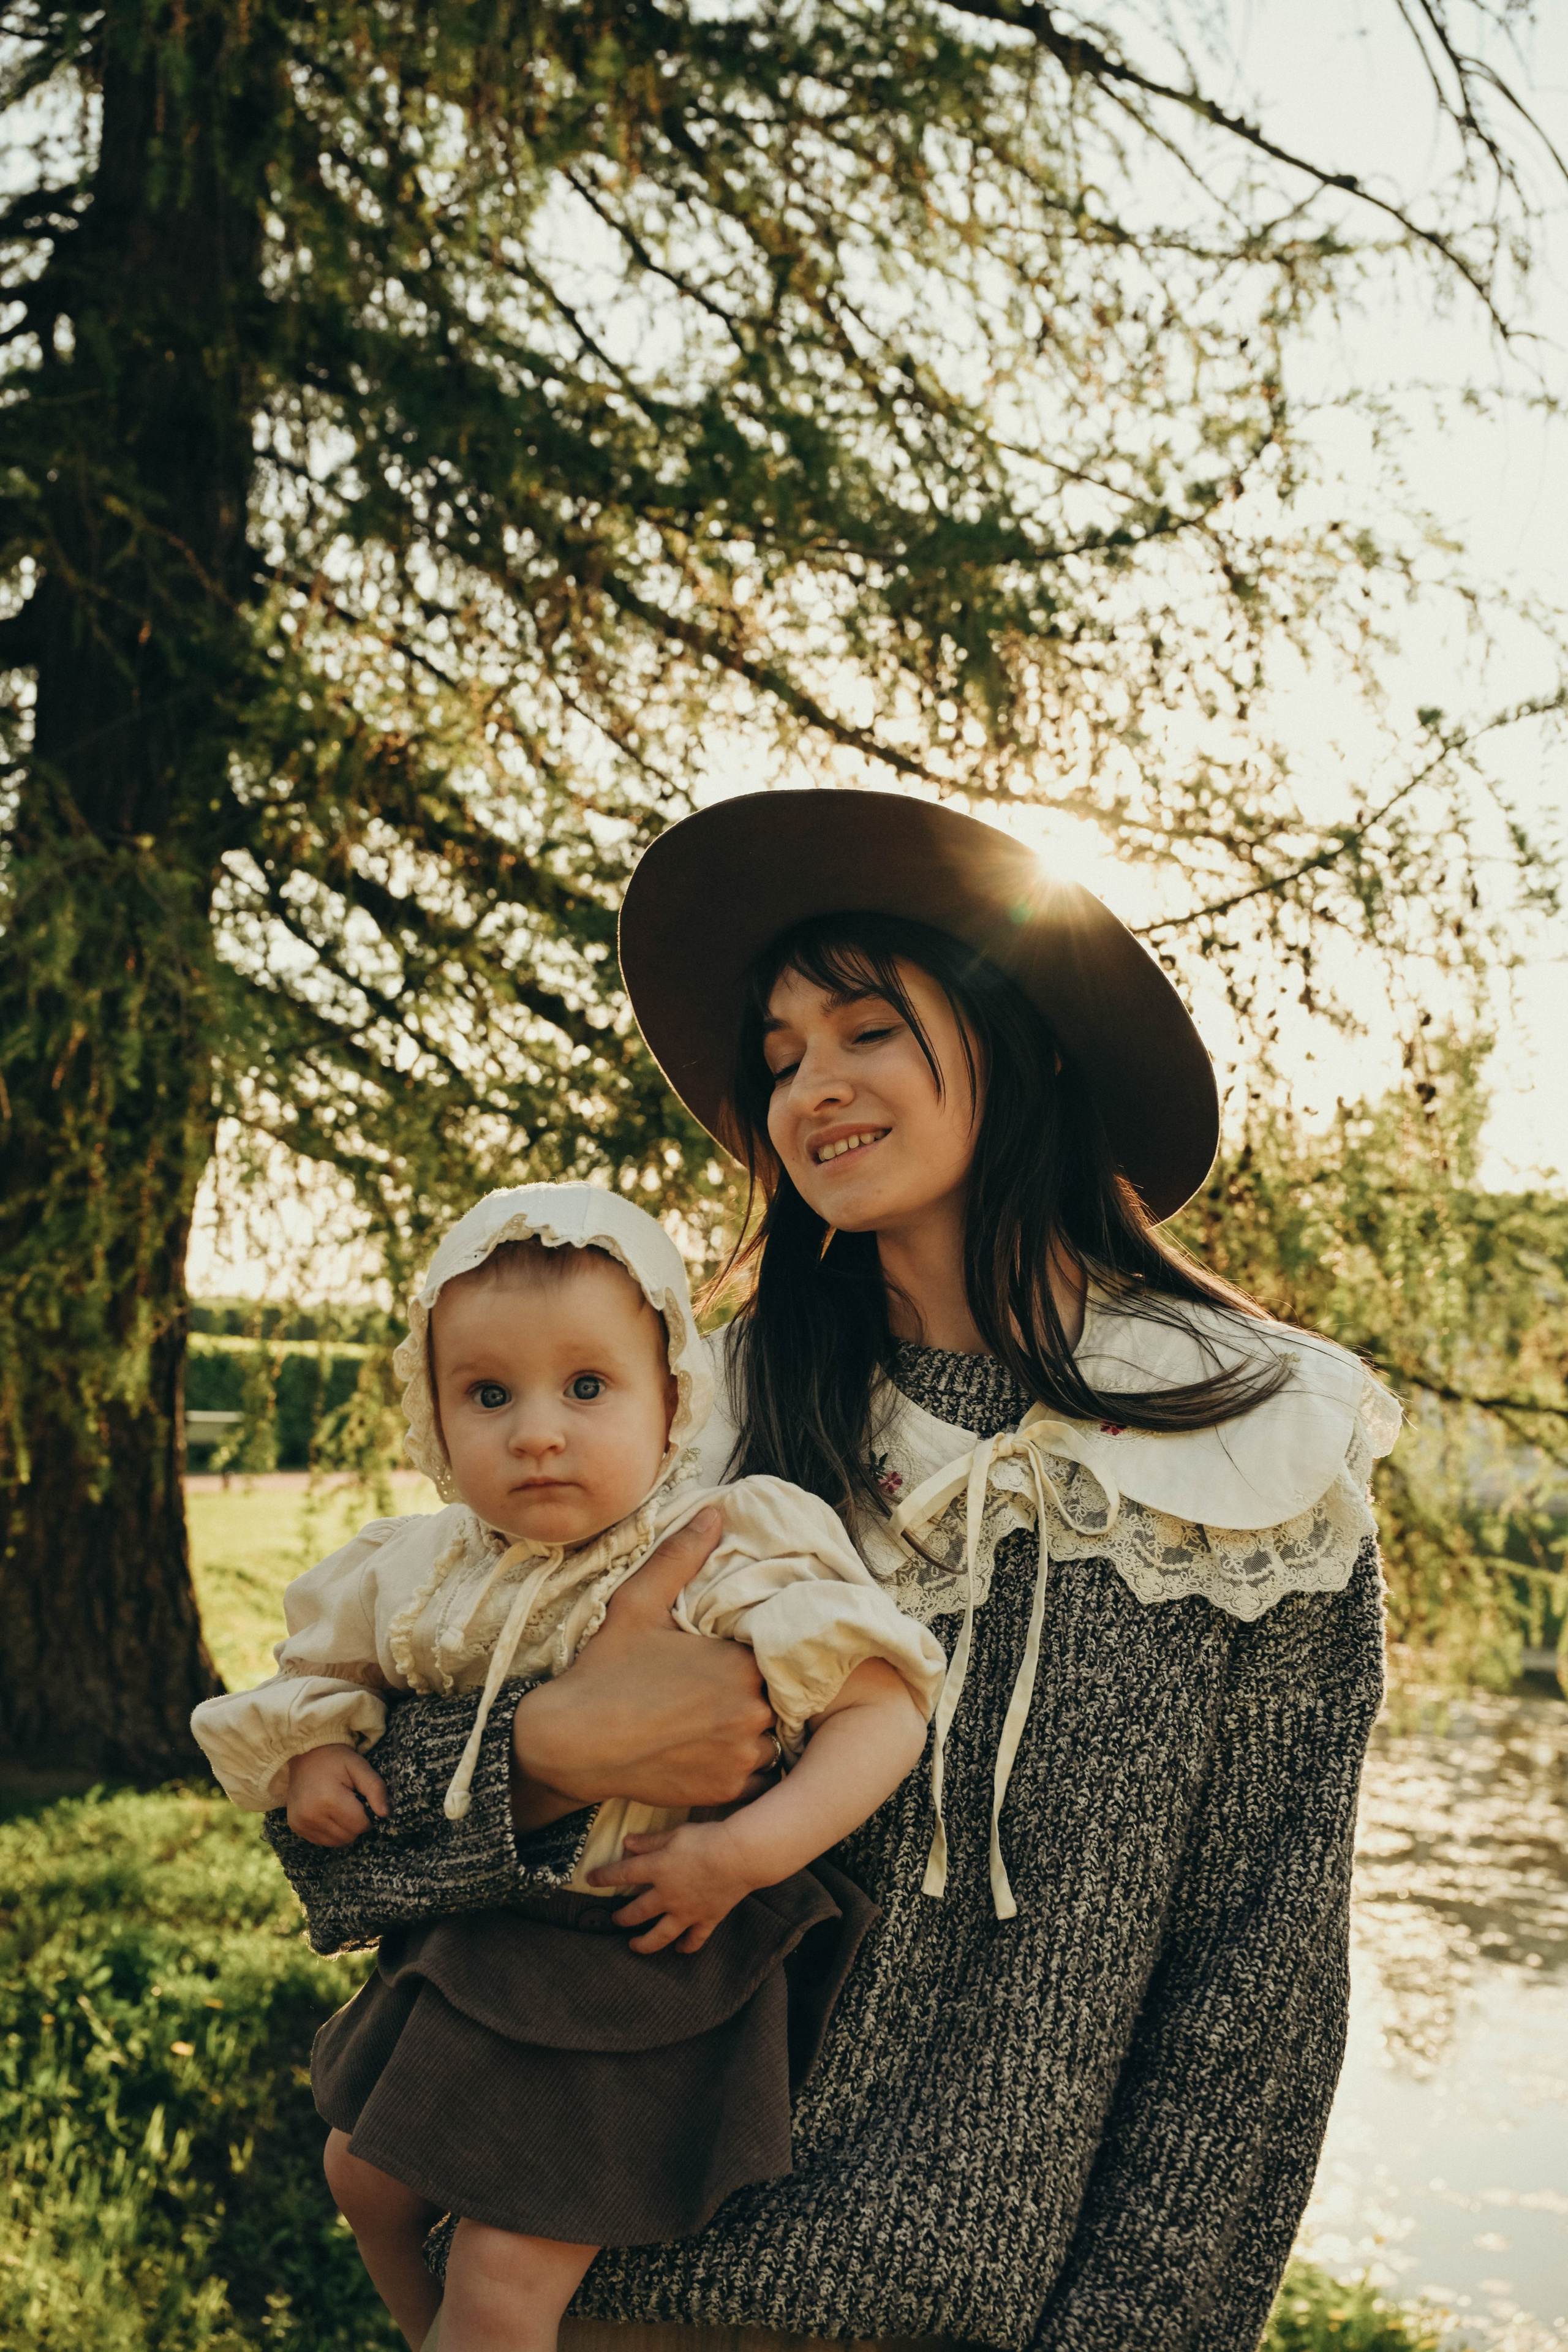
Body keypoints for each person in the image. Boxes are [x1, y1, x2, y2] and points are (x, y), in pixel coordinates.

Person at [284, 789, 1401, 2352]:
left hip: (972, 2322)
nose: (811, 1087)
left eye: (866, 1029)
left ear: (1024, 1042)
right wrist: (545, 1758)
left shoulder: (1261, 1449)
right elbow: (341, 1860)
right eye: (781, 1054)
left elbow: (1256, 1986)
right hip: (595, 2290)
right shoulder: (694, 1428)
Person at [190, 1180, 944, 2352]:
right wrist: (316, 1756)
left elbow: (886, 1710)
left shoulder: (720, 1547)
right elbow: (316, 1680)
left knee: (507, 2272)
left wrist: (742, 1854)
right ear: (435, 1418)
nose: (537, 1431)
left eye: (587, 1388)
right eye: (488, 1395)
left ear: (672, 1400)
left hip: (647, 1954)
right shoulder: (420, 1568)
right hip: (488, 1936)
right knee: (361, 2174)